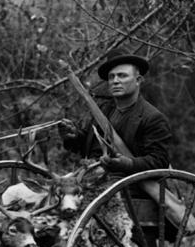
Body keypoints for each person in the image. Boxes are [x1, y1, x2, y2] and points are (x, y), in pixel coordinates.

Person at [60, 48, 173, 178]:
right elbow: (87, 147)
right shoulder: (103, 110)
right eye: (111, 77)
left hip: (129, 189)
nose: (115, 81)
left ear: (138, 80)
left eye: (122, 75)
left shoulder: (153, 118)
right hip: (91, 180)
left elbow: (160, 161)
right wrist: (73, 136)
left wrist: (129, 164)